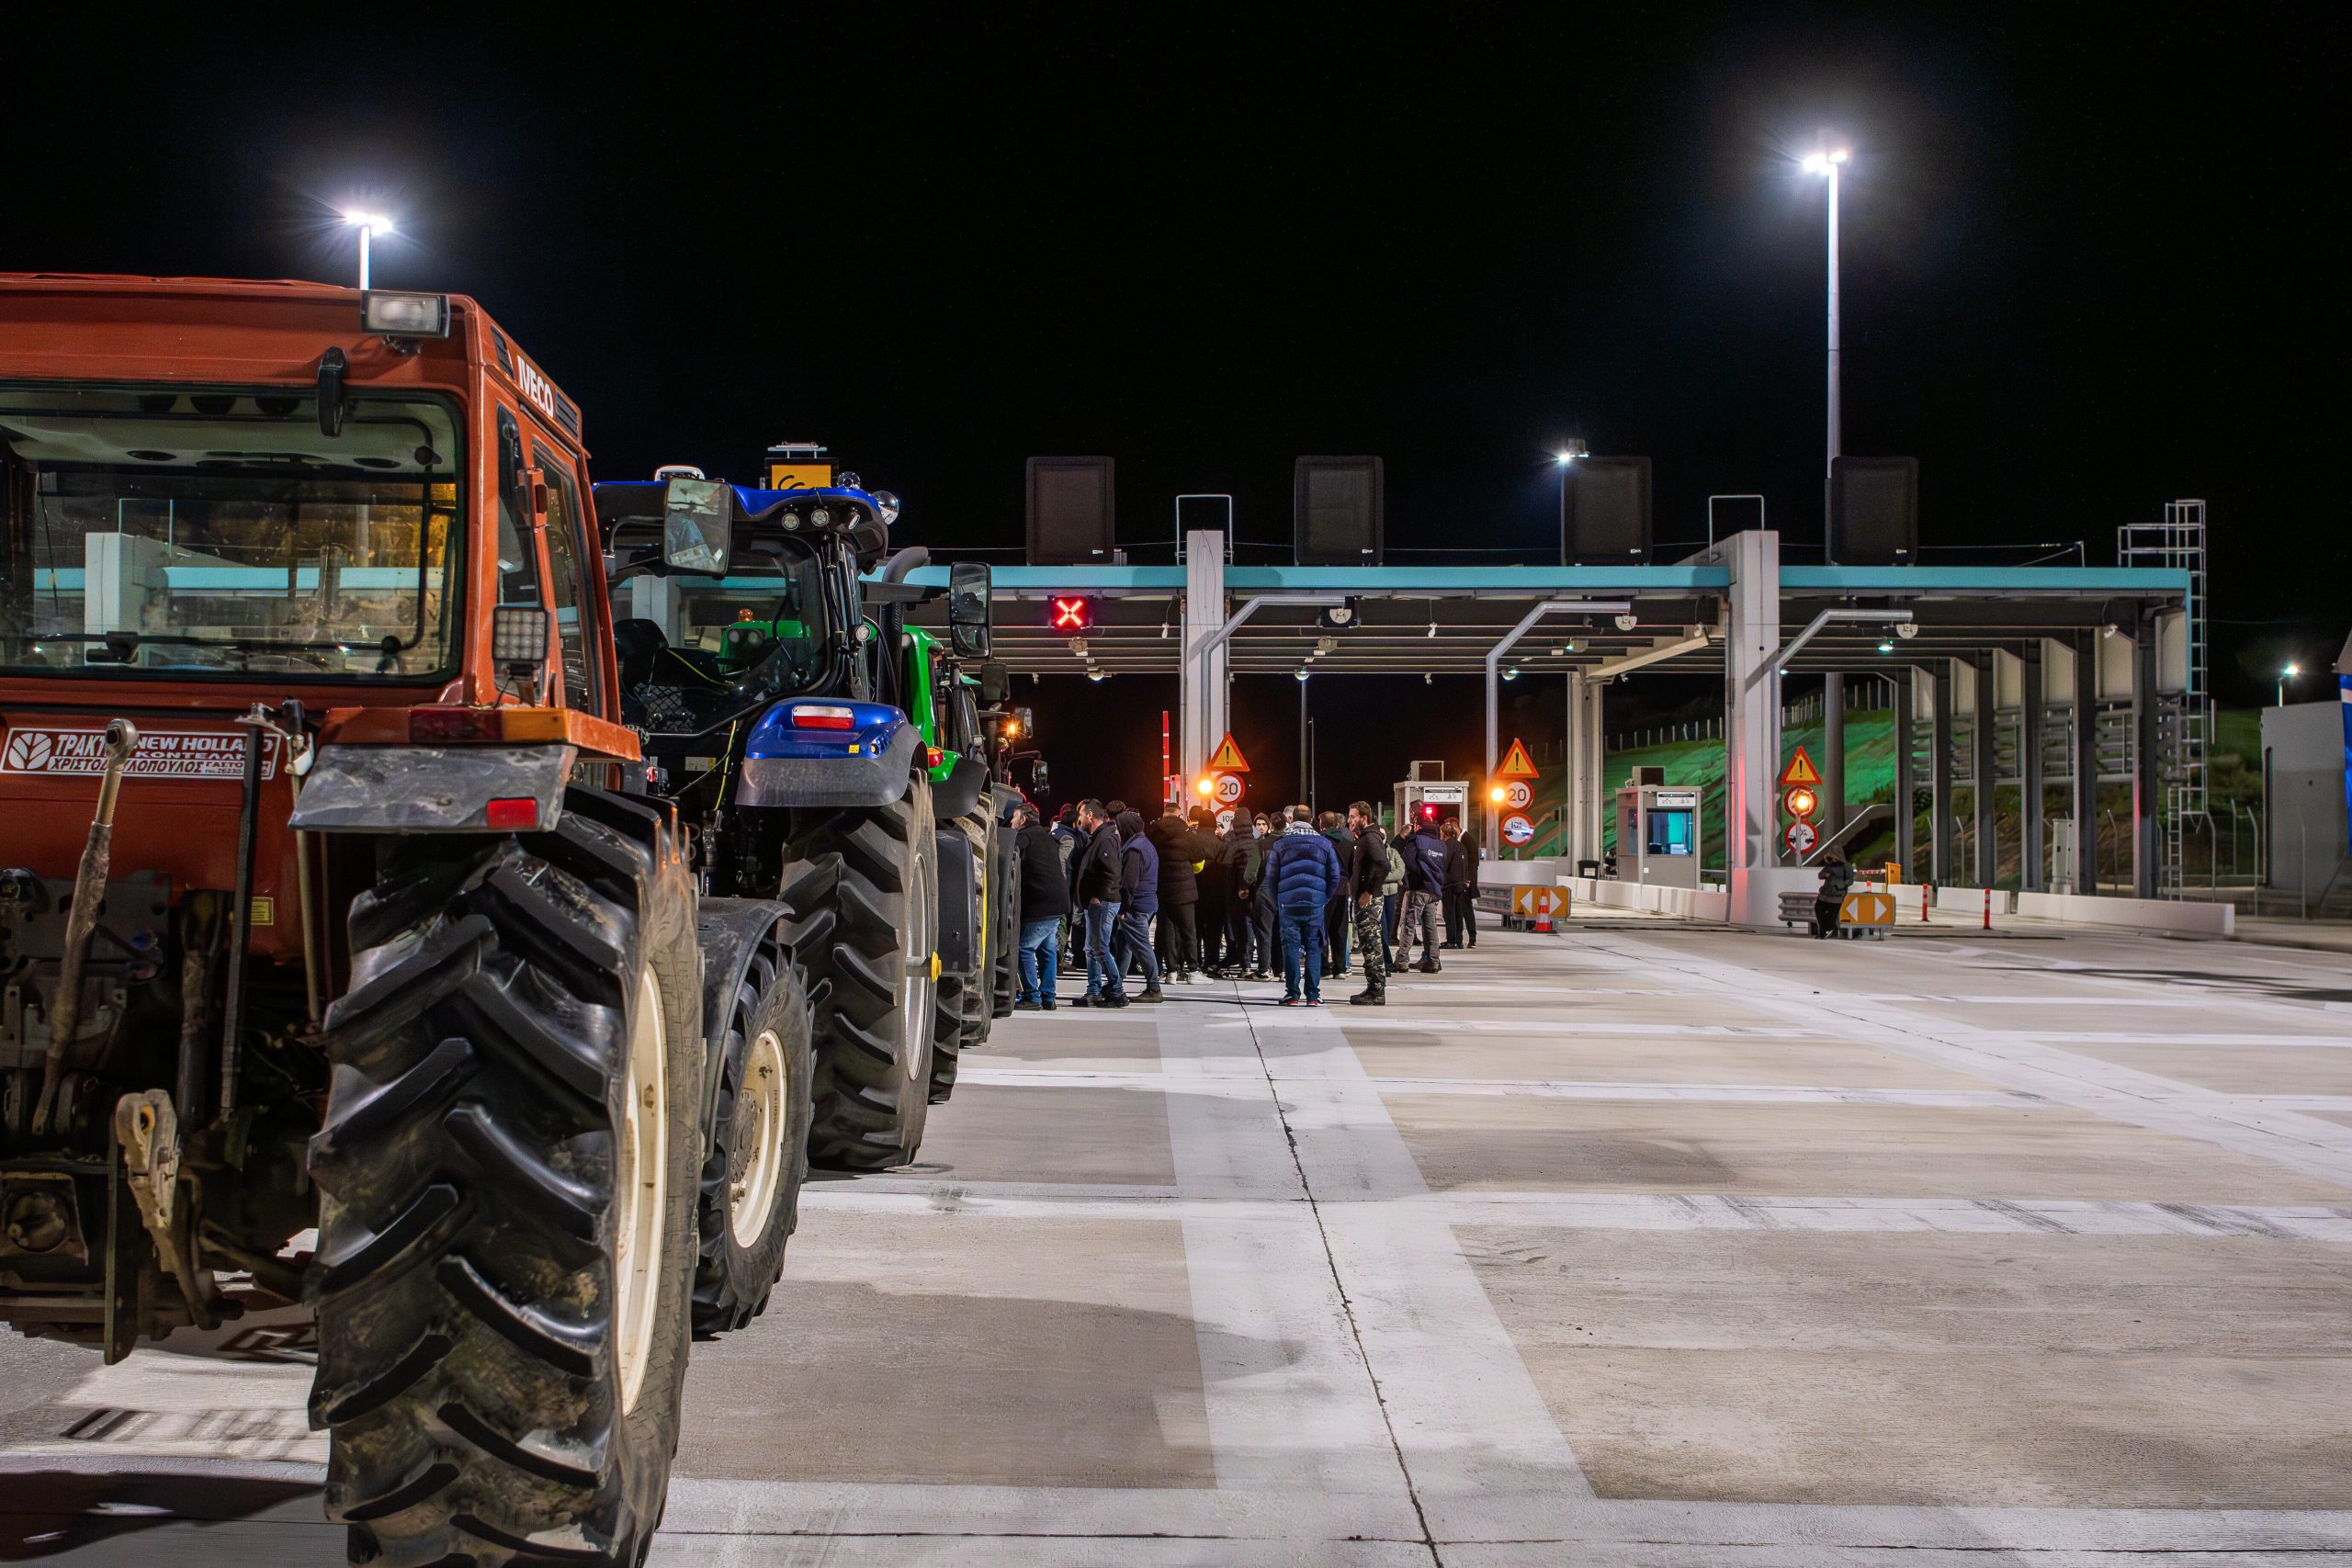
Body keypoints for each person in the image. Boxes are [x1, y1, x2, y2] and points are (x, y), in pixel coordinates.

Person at [1261, 804, 1343, 1005]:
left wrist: (1279, 898)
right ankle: (1313, 995)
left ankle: (1292, 994)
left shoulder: (1281, 844)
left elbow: (1271, 877)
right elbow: (1335, 875)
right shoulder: (1324, 844)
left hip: (1288, 905)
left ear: (1292, 820)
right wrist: (1324, 898)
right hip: (1315, 904)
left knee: (1291, 947)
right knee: (1314, 947)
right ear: (1312, 820)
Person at [1012, 803, 1072, 1010]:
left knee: (1023, 949)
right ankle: (1048, 996)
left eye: (1014, 818)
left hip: (1040, 903)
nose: (1011, 822)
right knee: (1047, 951)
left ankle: (1032, 996)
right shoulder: (1048, 837)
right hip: (1057, 902)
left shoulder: (1023, 838)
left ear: (1023, 820)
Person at [1070, 798, 1128, 1007]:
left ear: (1089, 815)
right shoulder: (1097, 837)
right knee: (1091, 948)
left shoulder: (1105, 839)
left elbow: (1110, 872)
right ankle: (1093, 990)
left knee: (1100, 948)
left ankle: (1117, 991)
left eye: (1081, 816)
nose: (1079, 820)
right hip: (1095, 903)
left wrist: (1097, 896)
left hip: (1102, 903)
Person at [1148, 811, 1206, 983]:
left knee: (1167, 932)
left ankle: (1171, 971)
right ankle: (1193, 970)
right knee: (1189, 932)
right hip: (1184, 892)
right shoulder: (1187, 837)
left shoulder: (1155, 839)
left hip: (1162, 890)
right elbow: (1199, 862)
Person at [1114, 809, 1165, 1002]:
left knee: (1141, 946)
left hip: (1136, 905)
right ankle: (1116, 981)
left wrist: (1123, 909)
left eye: (1118, 828)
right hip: (1147, 901)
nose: (1117, 832)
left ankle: (1153, 987)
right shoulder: (1146, 844)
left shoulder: (1134, 849)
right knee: (1124, 943)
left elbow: (1129, 883)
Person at [1344, 801, 1390, 1006]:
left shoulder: (1370, 838)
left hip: (1368, 901)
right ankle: (1373, 988)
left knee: (1371, 945)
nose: (1349, 820)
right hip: (1364, 898)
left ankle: (1376, 991)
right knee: (1368, 944)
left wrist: (1368, 891)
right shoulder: (1365, 838)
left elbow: (1384, 865)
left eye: (1353, 816)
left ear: (1364, 818)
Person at [1392, 816, 1448, 974]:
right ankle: (1433, 961)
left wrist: (1408, 880)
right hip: (1434, 890)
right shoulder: (1441, 844)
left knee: (1408, 924)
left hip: (1418, 888)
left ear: (1418, 826)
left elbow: (1407, 861)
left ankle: (1402, 960)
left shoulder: (1416, 840)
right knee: (1430, 926)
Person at [1193, 807, 1229, 976]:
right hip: (1216, 893)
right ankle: (1212, 962)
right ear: (1214, 824)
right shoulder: (1220, 844)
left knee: (1194, 928)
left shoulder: (1192, 840)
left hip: (1194, 892)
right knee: (1214, 931)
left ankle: (1194, 962)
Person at [1317, 810, 1354, 976]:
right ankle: (1340, 967)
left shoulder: (1321, 841)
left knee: (1322, 929)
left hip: (1325, 889)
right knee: (1340, 929)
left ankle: (1324, 967)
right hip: (1343, 889)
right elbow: (1353, 866)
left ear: (1322, 824)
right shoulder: (1348, 841)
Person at [1441, 818, 1479, 949]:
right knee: (1459, 911)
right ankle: (1459, 939)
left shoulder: (1463, 841)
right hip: (1462, 883)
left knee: (1456, 912)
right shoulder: (1461, 844)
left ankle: (1461, 939)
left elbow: (1473, 862)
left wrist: (1468, 879)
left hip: (1457, 883)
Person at [1815, 850, 1855, 939]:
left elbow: (1850, 880)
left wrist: (1841, 885)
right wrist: (1825, 875)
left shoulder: (1847, 866)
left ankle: (1825, 931)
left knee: (1832, 914)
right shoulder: (1829, 865)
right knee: (1818, 909)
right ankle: (1824, 930)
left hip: (1838, 894)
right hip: (1825, 893)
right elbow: (1820, 875)